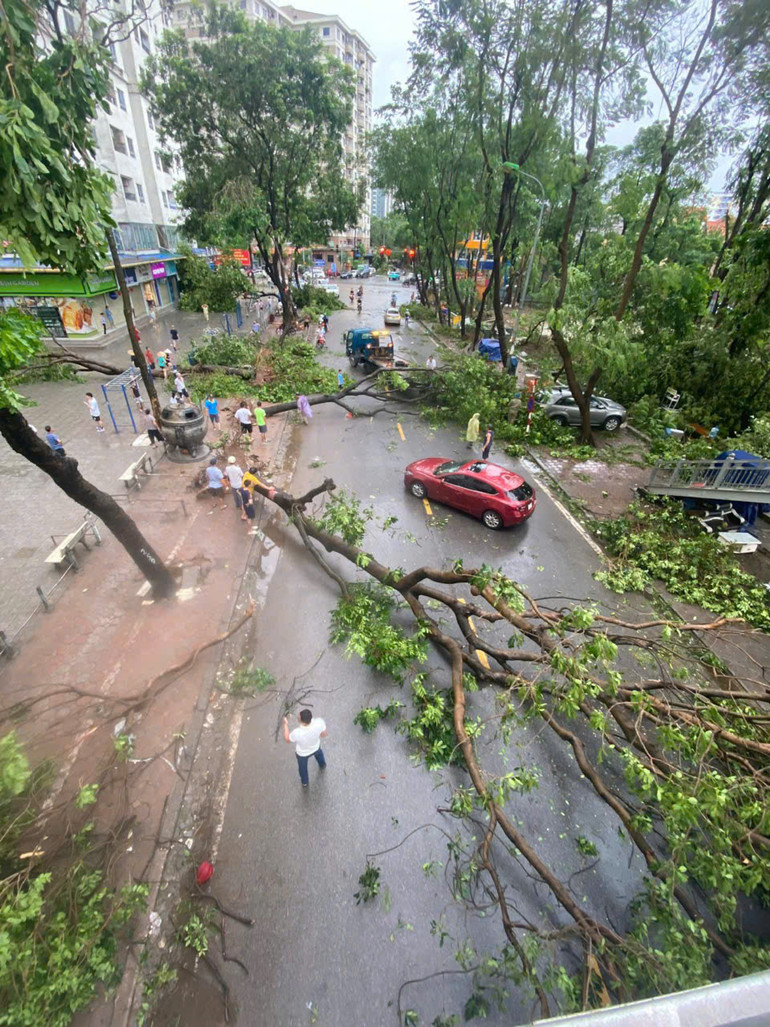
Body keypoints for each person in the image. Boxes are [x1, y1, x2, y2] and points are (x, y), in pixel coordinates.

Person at [283, 708, 327, 787]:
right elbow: (324, 734)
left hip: (302, 754)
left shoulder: (297, 732)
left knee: (303, 768)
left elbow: (287, 739)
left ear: (301, 721)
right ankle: (322, 764)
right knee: (319, 755)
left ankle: (305, 782)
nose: (298, 717)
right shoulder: (319, 722)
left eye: (298, 717)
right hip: (316, 747)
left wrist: (285, 724)